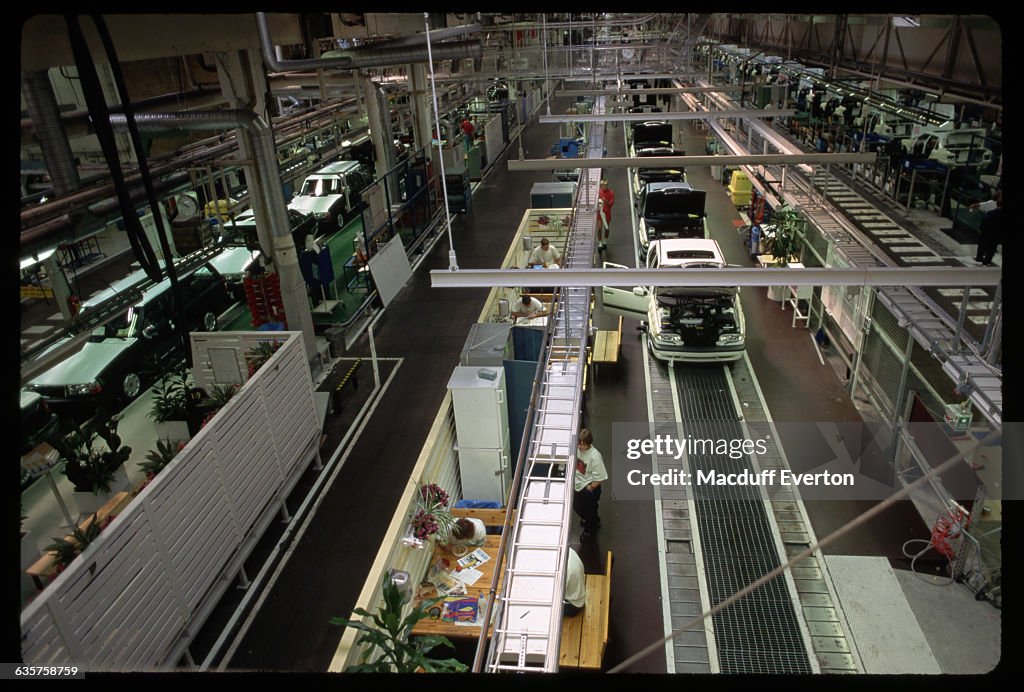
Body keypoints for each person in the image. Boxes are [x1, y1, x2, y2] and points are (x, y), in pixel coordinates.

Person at [572, 428, 608, 538]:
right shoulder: (576, 449)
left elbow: (600, 477)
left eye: (583, 445)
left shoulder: (595, 456)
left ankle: (589, 530)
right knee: (578, 507)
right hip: (578, 485)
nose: (580, 447)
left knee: (588, 511)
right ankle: (593, 518)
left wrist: (590, 488)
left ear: (589, 443)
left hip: (589, 487)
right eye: (579, 444)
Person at [974, 189, 1003, 266]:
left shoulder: (991, 213)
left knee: (982, 244)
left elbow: (985, 221)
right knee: (992, 247)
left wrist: (981, 228)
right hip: (997, 233)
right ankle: (987, 260)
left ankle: (979, 257)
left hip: (987, 231)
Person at [563, 547, 586, 616]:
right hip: (578, 591)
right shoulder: (567, 549)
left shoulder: (565, 570)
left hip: (573, 605)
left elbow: (556, 595)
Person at [597, 179, 615, 251]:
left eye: (605, 185)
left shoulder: (611, 193)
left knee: (607, 228)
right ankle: (600, 243)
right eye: (602, 185)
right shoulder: (599, 192)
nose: (603, 187)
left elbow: (611, 204)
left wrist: (605, 201)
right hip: (600, 213)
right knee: (599, 228)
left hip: (607, 213)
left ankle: (605, 241)